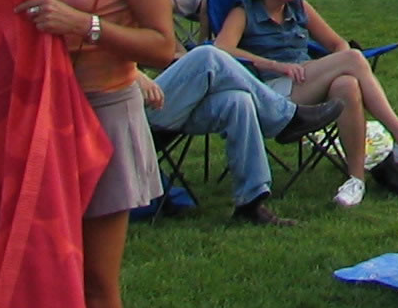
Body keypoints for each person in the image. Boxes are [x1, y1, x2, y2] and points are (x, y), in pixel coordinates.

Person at [19, 0, 182, 308]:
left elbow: (163, 45)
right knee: (45, 271)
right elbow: (30, 25)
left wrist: (84, 25)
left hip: (103, 118)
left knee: (95, 282)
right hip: (45, 119)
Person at [214, 0, 398, 205]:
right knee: (353, 58)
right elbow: (221, 49)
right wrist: (275, 65)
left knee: (347, 83)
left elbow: (337, 44)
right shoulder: (244, 12)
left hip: (305, 82)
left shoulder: (299, 7)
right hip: (270, 94)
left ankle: (355, 180)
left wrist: (337, 64)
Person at [140, 44, 343, 227]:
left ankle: (250, 204)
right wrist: (137, 73)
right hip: (130, 121)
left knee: (238, 101)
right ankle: (286, 118)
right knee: (207, 56)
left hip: (152, 104)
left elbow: (164, 50)